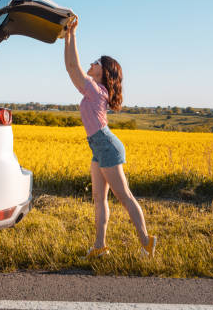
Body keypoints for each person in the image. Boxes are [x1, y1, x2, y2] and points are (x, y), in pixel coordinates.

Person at [63, 16, 157, 259]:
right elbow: (74, 69)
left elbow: (73, 69)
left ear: (104, 72)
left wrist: (72, 36)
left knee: (124, 196)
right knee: (99, 199)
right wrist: (67, 36)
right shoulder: (96, 90)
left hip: (106, 146)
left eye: (96, 63)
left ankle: (147, 242)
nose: (91, 64)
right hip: (99, 147)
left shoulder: (95, 90)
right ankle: (100, 246)